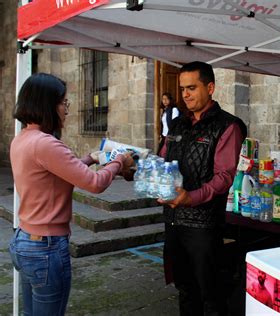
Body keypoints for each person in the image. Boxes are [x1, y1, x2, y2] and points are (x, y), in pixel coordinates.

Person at [8, 73, 135, 316]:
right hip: (46, 247)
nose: (66, 110)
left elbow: (56, 173)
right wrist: (119, 161)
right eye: (63, 103)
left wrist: (88, 159)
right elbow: (95, 184)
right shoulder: (46, 144)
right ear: (47, 104)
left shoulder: (23, 138)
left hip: (25, 240)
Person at [158, 61, 247, 315]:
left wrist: (191, 197)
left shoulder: (227, 126)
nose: (185, 94)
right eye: (182, 88)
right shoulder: (177, 125)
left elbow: (223, 177)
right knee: (185, 290)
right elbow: (164, 159)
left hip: (203, 227)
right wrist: (139, 171)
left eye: (192, 88)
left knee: (211, 295)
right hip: (174, 221)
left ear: (210, 88)